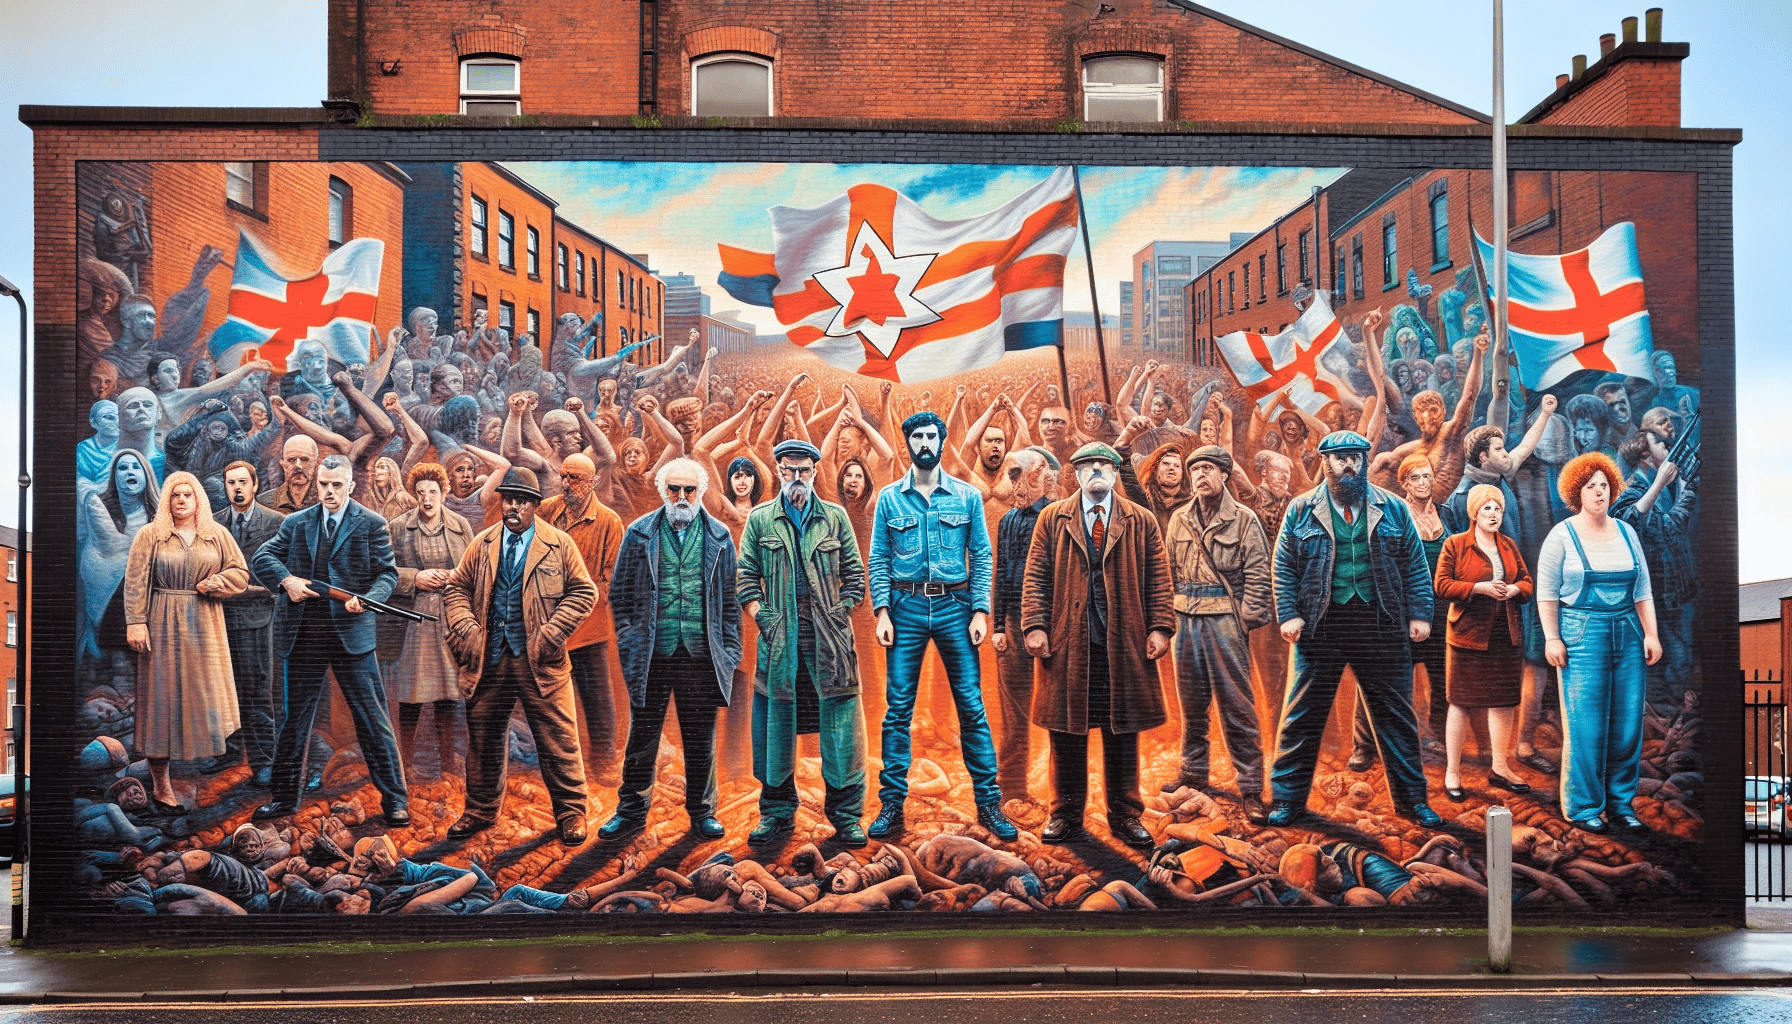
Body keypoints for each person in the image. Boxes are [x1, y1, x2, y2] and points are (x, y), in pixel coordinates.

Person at [1267, 431, 1442, 830]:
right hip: (1320, 625)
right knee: (1302, 718)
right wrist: (1289, 614)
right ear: (1325, 463)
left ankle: (1413, 803)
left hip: (1380, 623)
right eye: (1340, 458)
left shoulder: (1394, 509)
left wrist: (1420, 615)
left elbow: (1415, 565)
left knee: (1397, 717)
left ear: (1365, 462)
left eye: (1356, 458)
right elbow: (1283, 567)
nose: (1349, 465)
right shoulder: (1301, 510)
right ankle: (1287, 801)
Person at [866, 412, 1017, 842]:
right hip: (905, 606)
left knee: (971, 707)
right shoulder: (890, 499)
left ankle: (988, 804)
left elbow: (983, 556)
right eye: (918, 437)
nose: (926, 443)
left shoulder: (967, 497)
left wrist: (980, 612)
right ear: (908, 444)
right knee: (898, 711)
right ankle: (891, 806)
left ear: (942, 440)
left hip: (956, 606)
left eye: (933, 435)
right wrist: (882, 612)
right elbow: (878, 558)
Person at [1020, 441, 1174, 848]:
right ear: (1076, 473)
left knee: (1121, 732)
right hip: (1068, 641)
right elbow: (1035, 576)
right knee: (1066, 732)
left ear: (1115, 470)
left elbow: (1159, 577)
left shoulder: (1140, 520)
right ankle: (1065, 814)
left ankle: (1125, 816)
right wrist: (1035, 626)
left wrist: (1159, 628)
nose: (1096, 472)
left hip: (1122, 643)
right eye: (1087, 465)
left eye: (1103, 465)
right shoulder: (1053, 518)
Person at [441, 467, 598, 847]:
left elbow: (584, 593)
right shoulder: (482, 544)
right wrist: (468, 630)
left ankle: (571, 812)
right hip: (489, 658)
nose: (513, 507)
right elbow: (456, 590)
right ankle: (479, 811)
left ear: (534, 506)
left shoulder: (558, 545)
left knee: (558, 738)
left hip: (540, 662)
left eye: (522, 501)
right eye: (508, 499)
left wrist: (550, 634)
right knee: (483, 738)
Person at [251, 455, 410, 827]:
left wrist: (367, 599)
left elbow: (387, 575)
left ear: (351, 486)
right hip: (303, 634)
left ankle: (395, 801)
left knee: (373, 720)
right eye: (324, 484)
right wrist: (286, 580)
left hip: (351, 636)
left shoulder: (372, 524)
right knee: (294, 722)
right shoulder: (296, 523)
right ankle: (285, 798)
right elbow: (263, 556)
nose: (330, 492)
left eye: (338, 485)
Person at [737, 439, 870, 847]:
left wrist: (838, 612)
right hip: (781, 642)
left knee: (842, 732)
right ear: (778, 471)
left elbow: (857, 577)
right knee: (774, 729)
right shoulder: (760, 520)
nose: (797, 478)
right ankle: (776, 815)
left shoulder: (834, 518)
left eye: (804, 471)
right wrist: (765, 618)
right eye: (789, 470)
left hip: (829, 643)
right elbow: (745, 579)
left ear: (815, 472)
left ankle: (847, 817)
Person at [603, 457, 743, 843]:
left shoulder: (718, 536)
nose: (682, 497)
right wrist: (631, 644)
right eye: (675, 490)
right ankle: (630, 811)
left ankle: (703, 813)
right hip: (652, 653)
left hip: (702, 654)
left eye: (690, 490)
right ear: (664, 491)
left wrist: (729, 653)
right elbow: (621, 595)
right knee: (643, 734)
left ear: (700, 493)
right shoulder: (639, 533)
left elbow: (730, 602)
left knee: (700, 737)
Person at [1537, 452, 1661, 834]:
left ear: (1612, 489)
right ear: (1577, 492)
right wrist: (1553, 638)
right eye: (1590, 486)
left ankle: (1621, 804)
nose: (1598, 492)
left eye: (1604, 485)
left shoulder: (1627, 533)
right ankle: (1584, 806)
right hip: (1581, 634)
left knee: (1627, 724)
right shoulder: (1562, 535)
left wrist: (1651, 633)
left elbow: (1642, 589)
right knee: (1586, 724)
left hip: (1628, 631)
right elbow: (1546, 593)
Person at [124, 471, 250, 812]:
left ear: (198, 500)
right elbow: (135, 581)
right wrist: (136, 622)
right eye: (175, 495)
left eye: (188, 494)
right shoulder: (151, 535)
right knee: (160, 701)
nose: (181, 500)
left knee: (202, 698)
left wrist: (218, 582)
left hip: (206, 623)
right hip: (162, 619)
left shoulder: (216, 534)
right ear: (166, 500)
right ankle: (162, 786)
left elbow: (240, 573)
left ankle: (200, 781)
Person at [1162, 446, 1274, 823]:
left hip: (1225, 620)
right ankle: (1193, 774)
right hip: (1185, 620)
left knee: (1236, 706)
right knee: (1192, 704)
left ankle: (1252, 787)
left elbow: (1259, 573)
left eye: (1208, 469)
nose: (1200, 476)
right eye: (1195, 470)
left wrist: (1246, 621)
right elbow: (1168, 572)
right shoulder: (1179, 519)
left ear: (1225, 474)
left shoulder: (1243, 520)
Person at [1349, 455, 1463, 772]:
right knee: (1378, 677)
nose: (1424, 482)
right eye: (1416, 478)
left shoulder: (1448, 515)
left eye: (1428, 476)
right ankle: (1363, 746)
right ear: (1405, 484)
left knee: (1443, 679)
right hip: (1399, 611)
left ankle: (1438, 739)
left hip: (1442, 611)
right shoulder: (1392, 516)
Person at [1433, 484, 1534, 802]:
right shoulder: (1455, 544)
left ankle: (1500, 767)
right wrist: (1480, 588)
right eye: (1488, 508)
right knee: (1461, 702)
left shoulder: (1508, 546)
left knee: (1503, 702)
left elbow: (1527, 582)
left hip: (1506, 634)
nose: (1494, 514)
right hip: (1468, 636)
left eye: (1499, 509)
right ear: (1474, 512)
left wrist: (1515, 591)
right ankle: (1453, 772)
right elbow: (1442, 585)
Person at [535, 452, 627, 787]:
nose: (566, 484)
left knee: (597, 697)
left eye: (574, 478)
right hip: (547, 624)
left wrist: (573, 600)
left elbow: (611, 580)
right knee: (551, 697)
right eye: (564, 476)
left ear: (592, 482)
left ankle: (604, 761)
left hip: (588, 626)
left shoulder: (608, 521)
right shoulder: (546, 510)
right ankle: (559, 764)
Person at [200, 460, 286, 787]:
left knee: (256, 691)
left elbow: (285, 577)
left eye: (242, 482)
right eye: (230, 482)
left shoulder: (277, 523)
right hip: (218, 619)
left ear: (254, 484)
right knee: (222, 689)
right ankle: (229, 750)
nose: (236, 488)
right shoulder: (211, 525)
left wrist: (246, 589)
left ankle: (263, 761)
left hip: (258, 618)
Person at [386, 463, 474, 779]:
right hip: (414, 622)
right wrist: (416, 577)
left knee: (449, 693)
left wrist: (454, 577)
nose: (426, 499)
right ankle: (405, 763)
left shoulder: (461, 526)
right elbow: (382, 573)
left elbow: (474, 569)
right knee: (412, 693)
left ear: (443, 493)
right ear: (414, 494)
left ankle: (448, 763)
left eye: (433, 492)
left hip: (452, 617)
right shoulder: (397, 527)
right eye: (420, 492)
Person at [988, 446, 1060, 803]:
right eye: (1009, 474)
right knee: (1013, 711)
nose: (1010, 483)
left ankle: (1064, 796)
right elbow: (1000, 575)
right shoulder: (1008, 521)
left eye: (1016, 474)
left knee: (1059, 711)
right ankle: (1012, 788)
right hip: (1014, 623)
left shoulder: (1059, 517)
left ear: (1038, 473)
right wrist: (999, 625)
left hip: (1054, 624)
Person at [1613, 429, 1699, 713]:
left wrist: (1685, 489)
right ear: (1646, 455)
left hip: (1675, 595)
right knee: (1673, 661)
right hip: (1652, 600)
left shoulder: (1658, 490)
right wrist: (1661, 482)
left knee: (1679, 661)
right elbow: (1626, 522)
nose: (1667, 446)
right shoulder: (1635, 489)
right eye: (1659, 443)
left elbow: (1671, 527)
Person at [259, 435, 320, 515]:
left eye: (304, 459)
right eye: (292, 460)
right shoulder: (263, 503)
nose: (298, 465)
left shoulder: (326, 501)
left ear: (315, 463)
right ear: (283, 464)